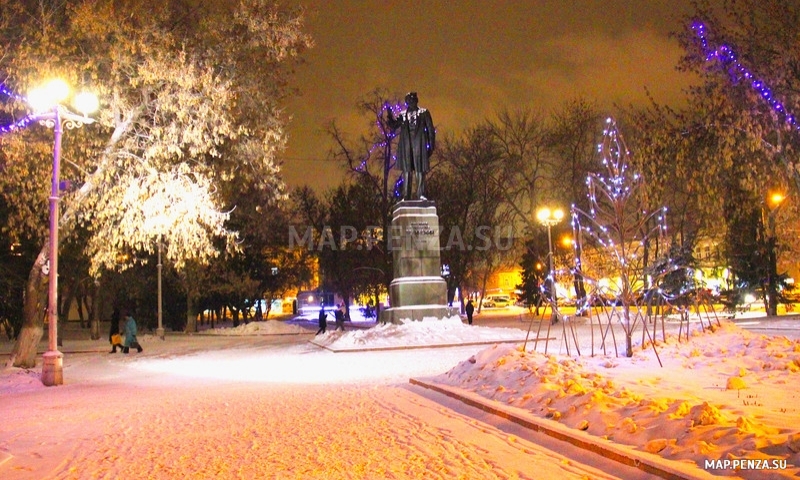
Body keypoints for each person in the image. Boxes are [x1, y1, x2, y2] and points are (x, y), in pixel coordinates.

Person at [386, 92, 436, 200]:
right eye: (409, 100)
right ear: (407, 102)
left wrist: (431, 145)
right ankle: (406, 195)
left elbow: (431, 129)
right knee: (407, 171)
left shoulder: (424, 112)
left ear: (416, 101)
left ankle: (421, 194)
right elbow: (394, 126)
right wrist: (389, 117)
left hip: (419, 144)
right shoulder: (403, 115)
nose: (411, 102)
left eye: (413, 100)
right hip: (406, 146)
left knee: (420, 170)